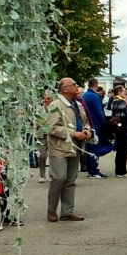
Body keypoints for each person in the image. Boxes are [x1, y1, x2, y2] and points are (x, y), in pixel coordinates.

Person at [46, 77, 92, 222]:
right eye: (74, 84)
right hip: (59, 148)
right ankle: (51, 210)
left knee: (71, 180)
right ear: (65, 89)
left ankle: (67, 211)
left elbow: (85, 121)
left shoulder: (78, 105)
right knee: (59, 178)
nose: (77, 86)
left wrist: (86, 130)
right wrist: (73, 133)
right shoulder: (55, 105)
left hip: (75, 147)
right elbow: (52, 128)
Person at [82, 77, 110, 178]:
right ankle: (94, 170)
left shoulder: (84, 95)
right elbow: (99, 111)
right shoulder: (95, 97)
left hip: (87, 124)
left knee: (89, 147)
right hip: (96, 124)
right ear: (96, 85)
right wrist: (104, 122)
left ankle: (90, 169)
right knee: (95, 147)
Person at [110, 85, 127, 177]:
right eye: (124, 91)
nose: (126, 92)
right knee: (123, 149)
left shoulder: (114, 101)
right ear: (119, 92)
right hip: (124, 127)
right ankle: (121, 171)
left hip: (119, 127)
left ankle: (120, 170)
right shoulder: (120, 101)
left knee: (121, 149)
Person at [36, 91, 53, 183]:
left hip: (52, 134)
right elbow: (36, 119)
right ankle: (42, 175)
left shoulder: (54, 108)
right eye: (45, 98)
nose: (46, 100)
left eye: (48, 98)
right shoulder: (39, 108)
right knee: (42, 155)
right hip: (41, 134)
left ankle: (52, 175)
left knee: (53, 156)